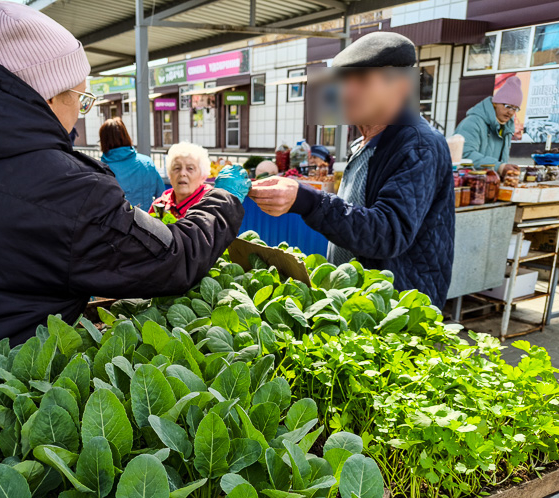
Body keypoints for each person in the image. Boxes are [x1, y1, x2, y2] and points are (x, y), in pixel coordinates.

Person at [0, 1, 247, 412]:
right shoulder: (69, 187)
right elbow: (172, 259)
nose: (79, 117)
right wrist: (223, 199)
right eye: (80, 99)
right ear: (49, 94)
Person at [249, 32, 455, 308]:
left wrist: (308, 201)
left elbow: (388, 232)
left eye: (362, 80)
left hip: (399, 309)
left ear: (402, 86)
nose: (347, 91)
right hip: (361, 302)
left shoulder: (419, 146)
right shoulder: (364, 142)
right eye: (344, 80)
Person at [454, 76, 522, 175]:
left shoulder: (507, 128)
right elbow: (464, 154)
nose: (511, 112)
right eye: (507, 106)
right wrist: (499, 167)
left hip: (491, 183)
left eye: (515, 108)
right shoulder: (472, 123)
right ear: (495, 103)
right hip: (468, 183)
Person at [100, 117, 164, 210]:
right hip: (148, 222)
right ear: (126, 136)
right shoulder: (147, 163)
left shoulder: (101, 170)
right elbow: (161, 196)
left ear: (103, 141)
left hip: (118, 223)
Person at [151, 143, 213, 219]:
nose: (182, 173)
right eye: (177, 168)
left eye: (190, 168)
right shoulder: (159, 205)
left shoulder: (211, 206)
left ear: (203, 176)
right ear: (169, 175)